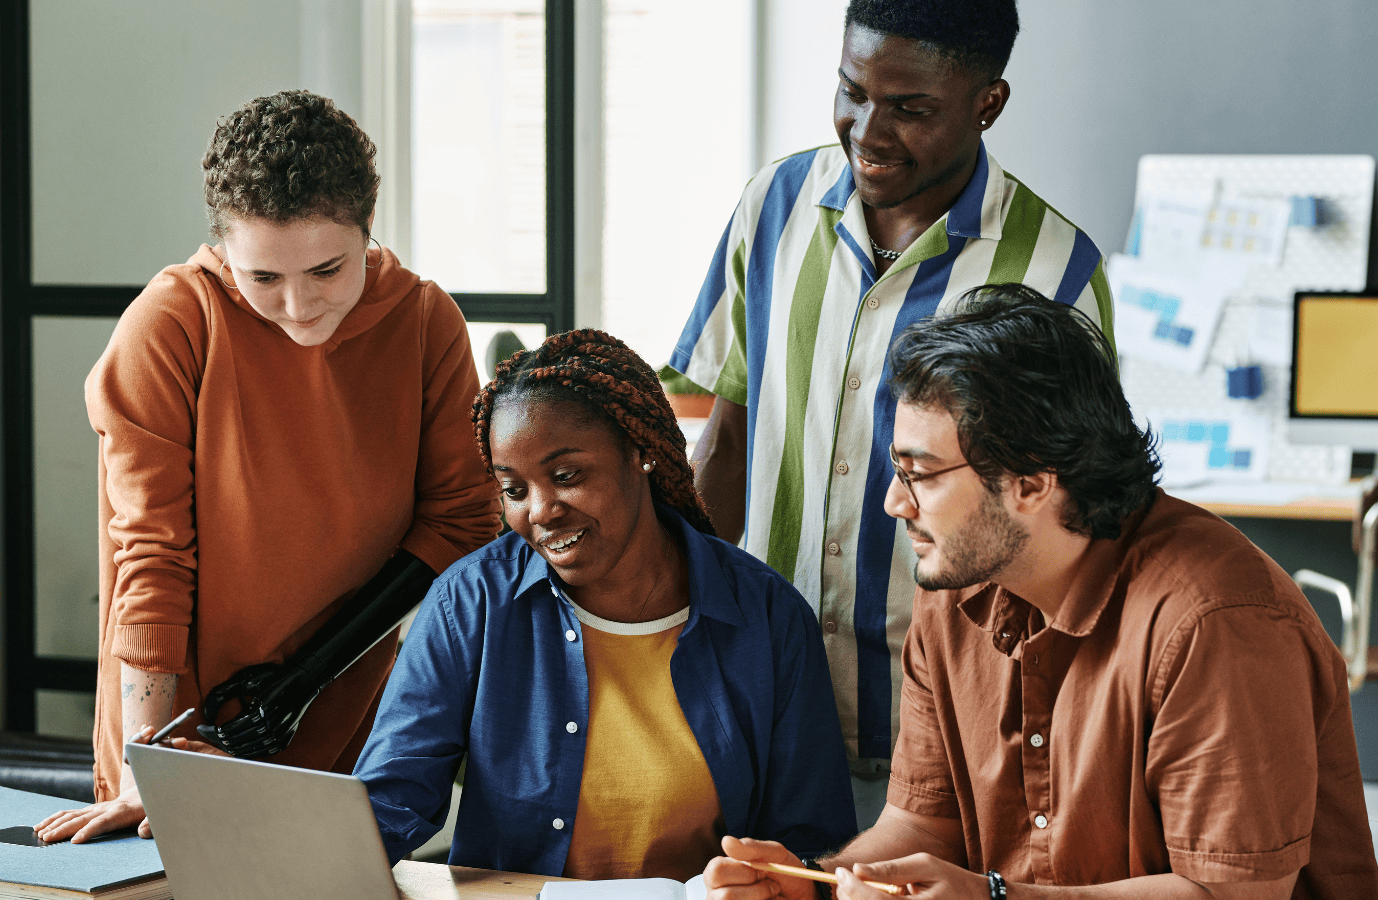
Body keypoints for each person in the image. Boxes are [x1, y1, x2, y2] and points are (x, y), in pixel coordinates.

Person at [704, 285, 1378, 899]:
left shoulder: (1216, 622)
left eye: (922, 475)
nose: (892, 503)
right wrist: (816, 888)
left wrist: (996, 899)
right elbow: (921, 823)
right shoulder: (957, 589)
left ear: (1031, 483)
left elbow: (1231, 896)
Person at [666, 0, 1114, 828]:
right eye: (851, 90)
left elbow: (1072, 529)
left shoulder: (1054, 271)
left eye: (910, 109)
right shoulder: (773, 204)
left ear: (989, 103)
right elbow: (727, 441)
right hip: (758, 708)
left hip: (951, 738)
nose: (867, 131)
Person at [34, 90, 502, 843]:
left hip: (345, 705)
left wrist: (302, 683)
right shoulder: (172, 324)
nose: (298, 306)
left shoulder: (424, 322)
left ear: (368, 231)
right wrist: (148, 763)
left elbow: (458, 523)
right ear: (222, 249)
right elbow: (149, 551)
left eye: (326, 269)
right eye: (264, 280)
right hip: (176, 725)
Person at [354, 330, 857, 879]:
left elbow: (810, 841)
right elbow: (387, 800)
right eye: (514, 489)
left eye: (566, 476)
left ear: (639, 450)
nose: (541, 512)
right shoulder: (470, 603)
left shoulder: (768, 618)